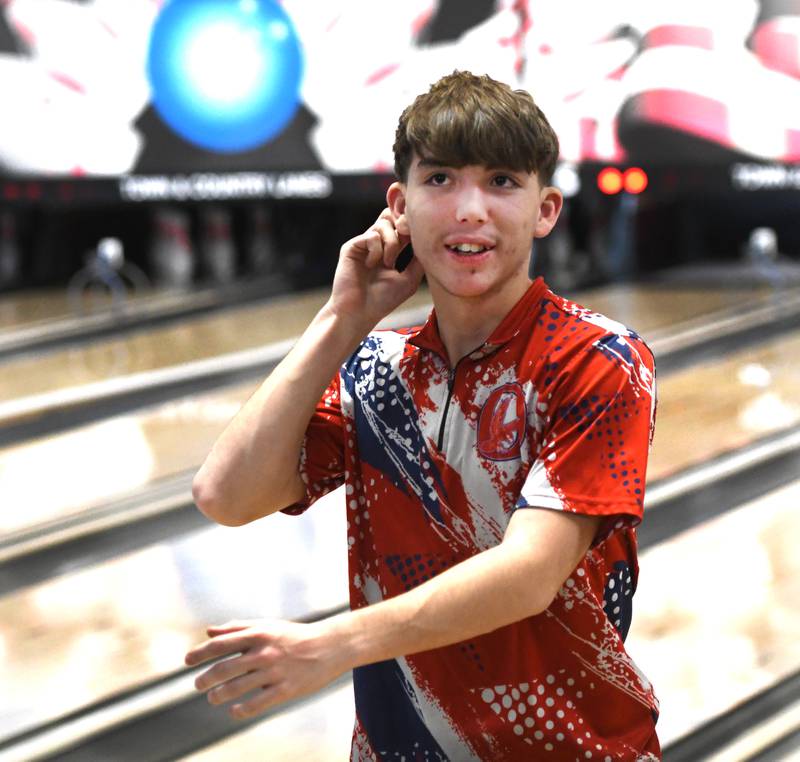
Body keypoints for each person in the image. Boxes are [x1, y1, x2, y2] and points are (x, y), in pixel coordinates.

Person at [185, 70, 661, 761]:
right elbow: (225, 495)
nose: (470, 208)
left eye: (502, 181)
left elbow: (529, 574)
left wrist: (329, 646)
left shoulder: (600, 359)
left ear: (547, 209)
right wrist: (341, 318)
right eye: (440, 180)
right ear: (399, 206)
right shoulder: (373, 367)